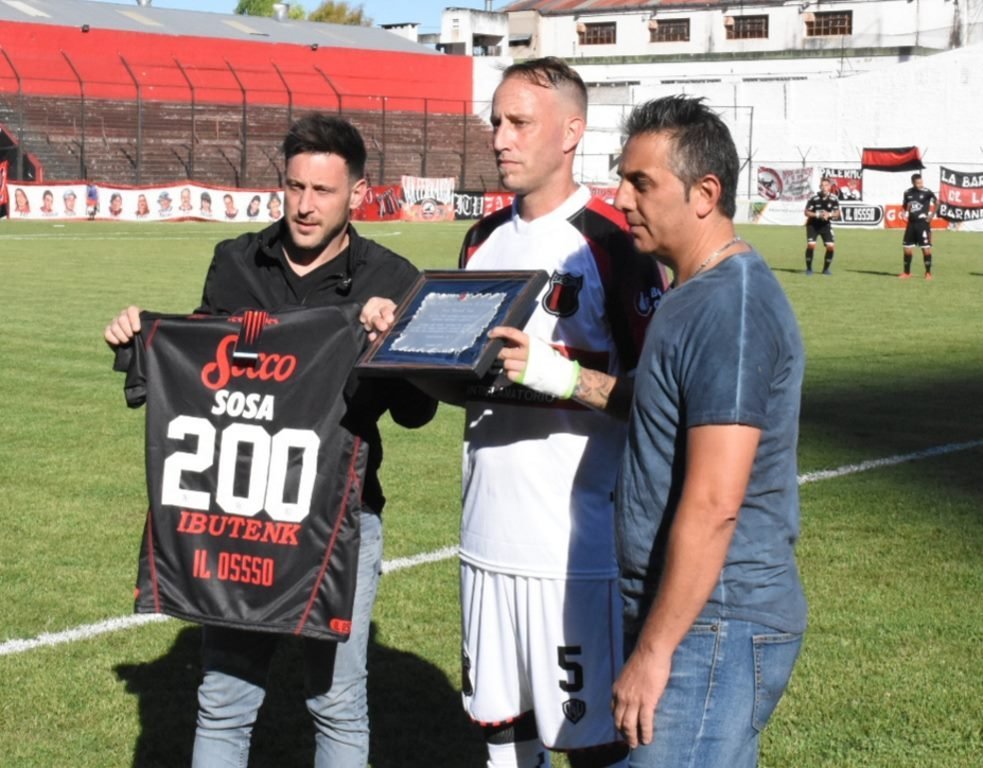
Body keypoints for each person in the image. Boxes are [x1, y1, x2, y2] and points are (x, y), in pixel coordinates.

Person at [104, 113, 437, 768]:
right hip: (238, 517)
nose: (305, 206)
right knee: (223, 700)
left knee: (337, 704)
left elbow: (415, 414)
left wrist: (393, 344)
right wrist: (140, 336)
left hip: (339, 520)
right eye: (295, 187)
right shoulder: (235, 261)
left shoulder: (392, 276)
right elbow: (203, 366)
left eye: (323, 191)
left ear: (357, 194)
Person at [365, 57, 667, 768]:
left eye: (519, 123)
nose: (500, 138)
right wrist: (400, 342)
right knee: (502, 744)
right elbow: (463, 384)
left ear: (571, 132)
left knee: (593, 747)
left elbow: (656, 401)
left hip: (575, 553)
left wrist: (556, 374)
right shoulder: (481, 241)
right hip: (484, 537)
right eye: (495, 122)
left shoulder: (612, 243)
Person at [599, 95, 805, 768]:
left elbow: (716, 502)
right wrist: (553, 375)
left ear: (704, 194)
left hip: (712, 620)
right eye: (621, 179)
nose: (621, 199)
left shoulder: (729, 307)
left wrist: (655, 650)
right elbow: (653, 405)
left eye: (641, 183)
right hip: (694, 614)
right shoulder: (691, 294)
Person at [899, 172, 938, 279]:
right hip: (911, 224)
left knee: (926, 249)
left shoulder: (927, 192)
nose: (921, 184)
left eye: (921, 182)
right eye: (918, 183)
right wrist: (903, 212)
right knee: (907, 249)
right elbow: (905, 205)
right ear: (913, 183)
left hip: (923, 225)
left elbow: (937, 203)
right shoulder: (907, 193)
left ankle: (928, 273)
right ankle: (907, 273)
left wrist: (931, 216)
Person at [803, 176, 840, 275]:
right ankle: (809, 269)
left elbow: (837, 213)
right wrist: (818, 215)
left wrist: (829, 215)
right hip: (813, 225)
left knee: (830, 247)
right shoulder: (814, 198)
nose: (824, 187)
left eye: (826, 185)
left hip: (825, 226)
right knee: (811, 245)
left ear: (829, 187)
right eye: (822, 185)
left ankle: (826, 269)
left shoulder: (833, 198)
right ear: (820, 187)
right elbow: (806, 212)